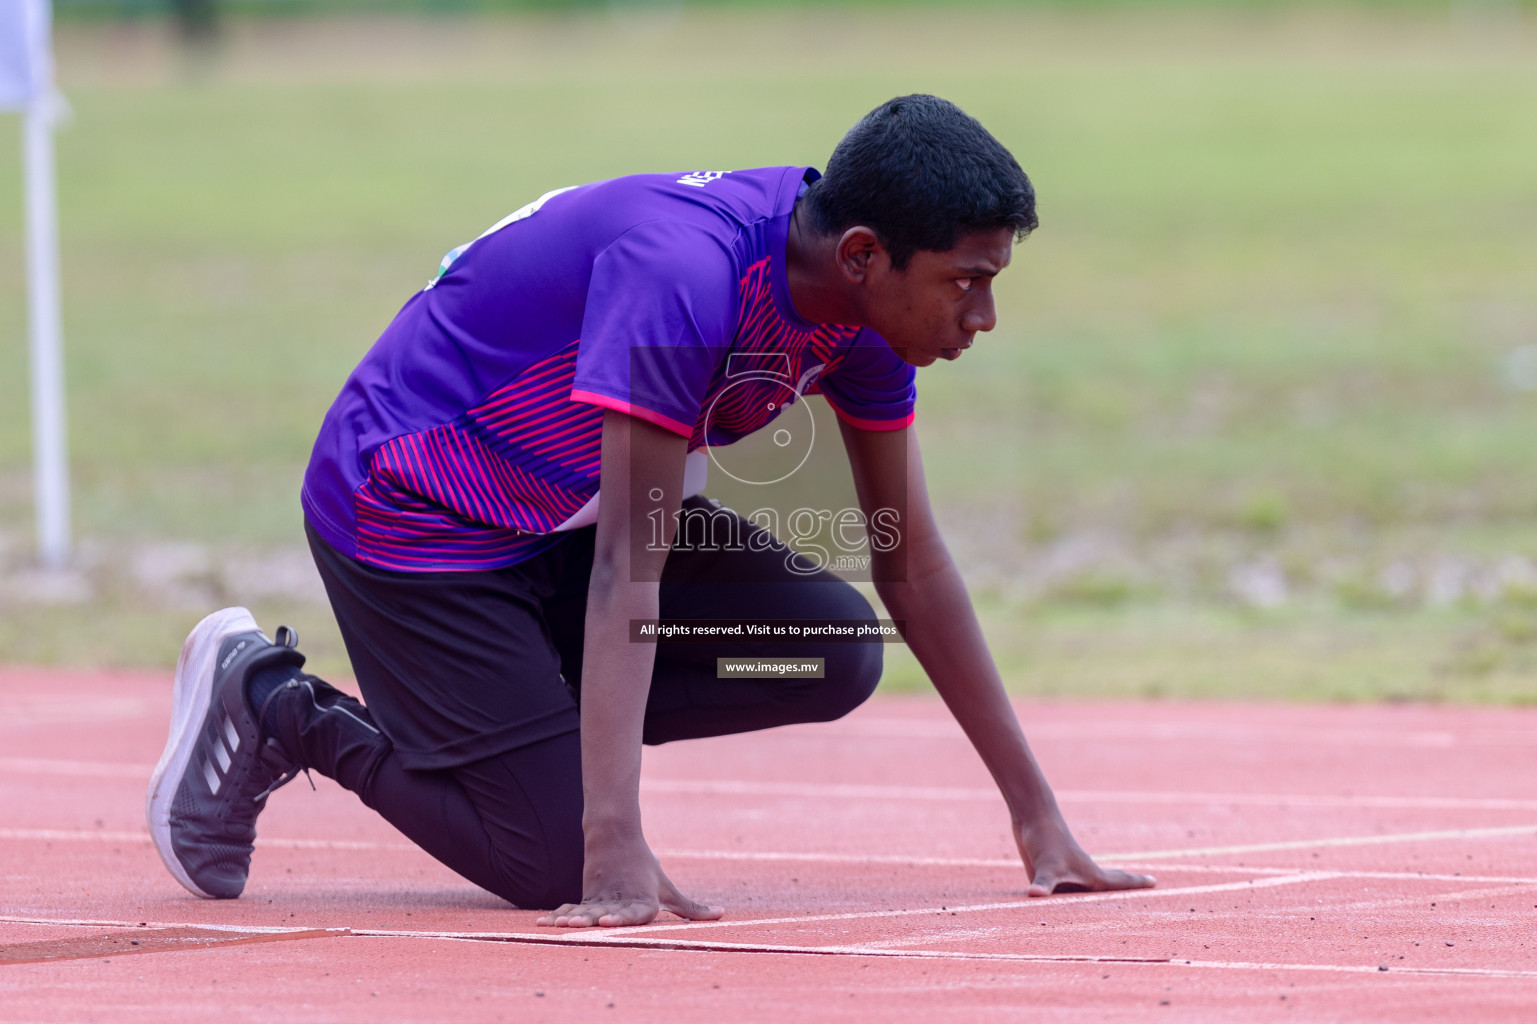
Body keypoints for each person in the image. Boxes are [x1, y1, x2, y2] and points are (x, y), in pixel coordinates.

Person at [145, 94, 1155, 927]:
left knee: (829, 649)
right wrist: (612, 837)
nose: (983, 317)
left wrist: (1038, 819)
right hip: (417, 516)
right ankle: (275, 699)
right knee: (553, 860)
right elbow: (634, 563)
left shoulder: (866, 323)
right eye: (966, 283)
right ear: (861, 254)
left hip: (564, 518)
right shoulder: (686, 281)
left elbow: (913, 562)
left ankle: (530, 730)